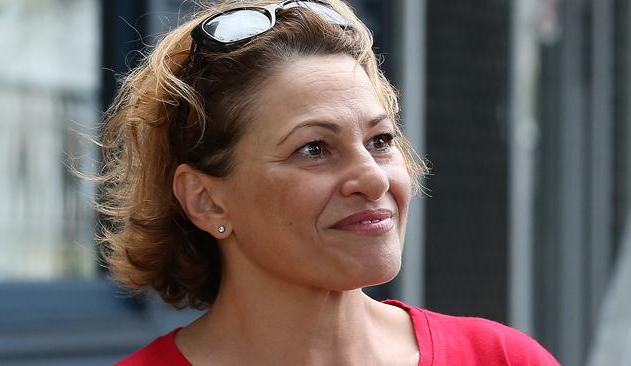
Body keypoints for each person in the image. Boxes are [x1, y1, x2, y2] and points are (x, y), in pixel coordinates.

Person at [99, 0, 560, 365]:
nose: (372, 178)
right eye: (314, 149)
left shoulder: (501, 359)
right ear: (206, 201)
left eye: (380, 140)